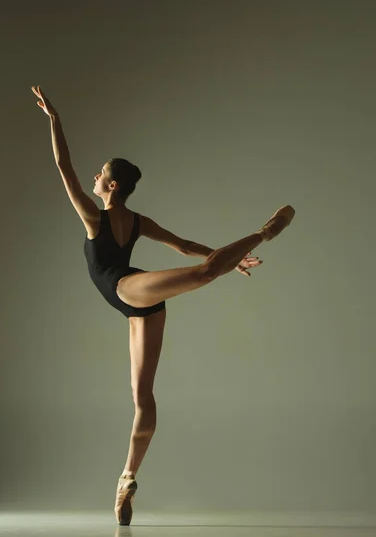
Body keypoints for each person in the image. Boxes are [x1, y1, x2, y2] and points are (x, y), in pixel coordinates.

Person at [31, 85, 295, 525]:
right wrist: (222, 256)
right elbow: (185, 243)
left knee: (207, 272)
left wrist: (54, 119)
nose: (94, 177)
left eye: (100, 173)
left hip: (128, 289)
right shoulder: (132, 220)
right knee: (143, 399)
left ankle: (263, 232)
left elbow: (64, 166)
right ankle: (126, 481)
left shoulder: (96, 216)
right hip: (139, 308)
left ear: (111, 185)